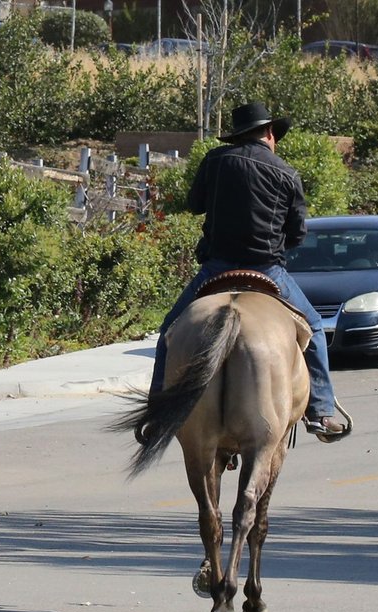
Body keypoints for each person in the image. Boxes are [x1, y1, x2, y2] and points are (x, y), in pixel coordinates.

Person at [148, 101, 347, 443]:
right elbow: (297, 234)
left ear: (238, 135)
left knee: (170, 330)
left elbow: (194, 204)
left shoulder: (214, 161)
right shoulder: (286, 173)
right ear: (269, 133)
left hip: (217, 267)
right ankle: (321, 410)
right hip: (266, 268)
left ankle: (156, 413)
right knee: (313, 326)